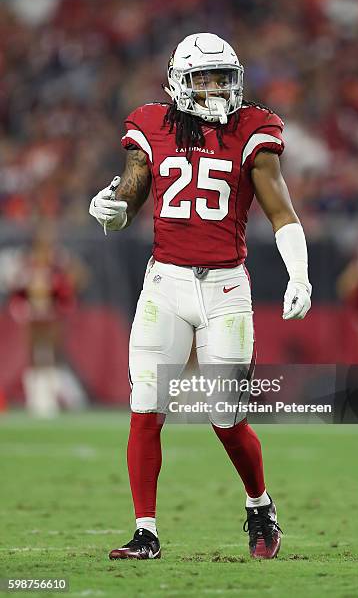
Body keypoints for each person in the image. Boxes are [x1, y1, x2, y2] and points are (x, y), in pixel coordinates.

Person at [89, 33, 312, 560]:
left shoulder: (254, 129)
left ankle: (259, 505)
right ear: (179, 82)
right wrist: (114, 208)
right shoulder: (150, 124)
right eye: (204, 78)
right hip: (164, 283)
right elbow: (133, 186)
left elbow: (282, 210)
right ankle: (146, 531)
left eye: (222, 78)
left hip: (226, 289)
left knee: (225, 415)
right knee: (146, 406)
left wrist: (298, 274)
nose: (215, 88)